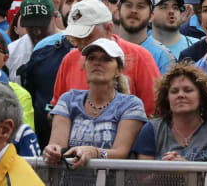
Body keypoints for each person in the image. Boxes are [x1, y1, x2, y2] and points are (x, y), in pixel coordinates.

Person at [43, 38, 148, 168]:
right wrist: (52, 151)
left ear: (118, 70)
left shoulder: (131, 105)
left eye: (106, 59)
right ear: (84, 66)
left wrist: (95, 153)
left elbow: (121, 152)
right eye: (91, 58)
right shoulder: (68, 99)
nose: (97, 63)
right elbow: (58, 145)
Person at [51, 0, 161, 115]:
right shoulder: (69, 59)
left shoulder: (140, 57)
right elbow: (57, 109)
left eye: (87, 36)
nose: (81, 45)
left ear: (108, 28)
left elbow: (154, 113)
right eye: (75, 38)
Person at [133, 62, 207, 161]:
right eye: (174, 91)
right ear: (167, 98)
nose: (180, 95)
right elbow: (142, 174)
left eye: (188, 90)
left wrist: (186, 169)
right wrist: (164, 170)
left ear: (202, 96)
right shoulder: (152, 129)